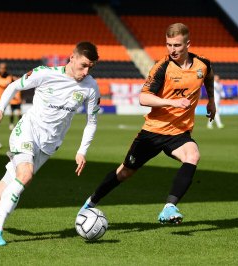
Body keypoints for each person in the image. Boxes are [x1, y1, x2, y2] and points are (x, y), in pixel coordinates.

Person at [0, 42, 100, 246]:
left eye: (91, 66)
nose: (86, 71)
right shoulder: (45, 73)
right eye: (83, 65)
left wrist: (82, 151)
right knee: (25, 175)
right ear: (72, 57)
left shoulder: (91, 87)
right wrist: (0, 109)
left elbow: (92, 122)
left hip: (48, 146)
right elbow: (14, 86)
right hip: (26, 132)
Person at [79, 23, 216, 224]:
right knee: (125, 172)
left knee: (193, 155)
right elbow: (144, 98)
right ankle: (90, 203)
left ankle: (169, 207)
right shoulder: (163, 67)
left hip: (178, 133)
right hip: (153, 132)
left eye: (177, 45)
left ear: (188, 44)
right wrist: (173, 102)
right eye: (168, 45)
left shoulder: (202, 64)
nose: (172, 50)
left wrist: (211, 100)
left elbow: (209, 77)